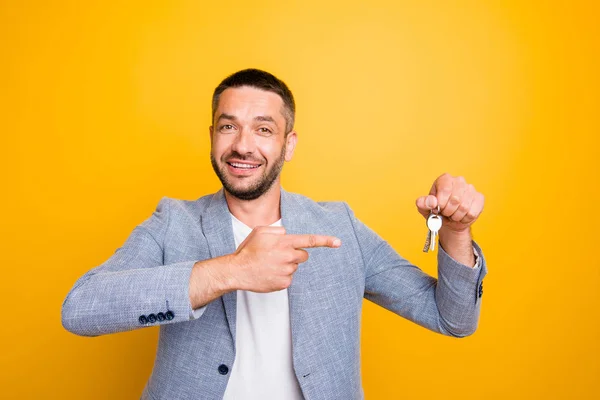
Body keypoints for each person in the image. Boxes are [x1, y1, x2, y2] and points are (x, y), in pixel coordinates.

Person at [62, 68, 487, 400]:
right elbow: (81, 308)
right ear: (212, 137)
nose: (243, 145)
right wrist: (228, 271)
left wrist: (456, 231)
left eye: (264, 129)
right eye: (228, 127)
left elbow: (453, 319)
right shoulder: (173, 222)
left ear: (288, 144)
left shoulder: (339, 226)